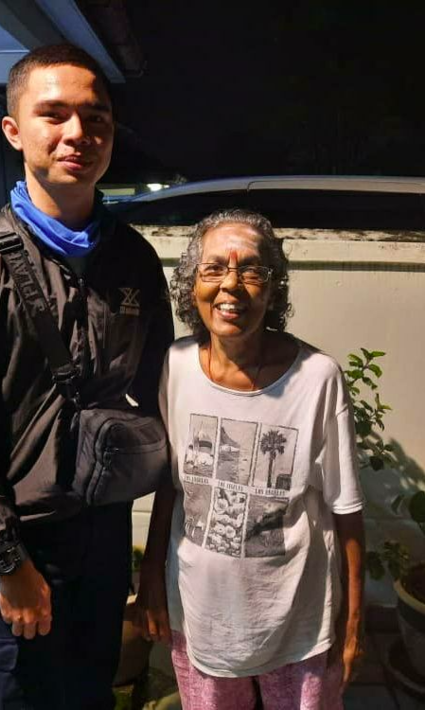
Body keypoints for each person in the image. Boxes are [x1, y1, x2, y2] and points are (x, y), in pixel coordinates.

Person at [0, 44, 173, 710]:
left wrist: (152, 562)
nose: (77, 134)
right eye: (53, 114)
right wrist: (8, 564)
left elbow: (157, 402)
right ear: (13, 130)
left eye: (96, 118)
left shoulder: (135, 261)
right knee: (20, 695)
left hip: (106, 532)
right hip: (20, 542)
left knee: (94, 689)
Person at [134, 209, 364, 710]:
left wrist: (352, 623)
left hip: (297, 623)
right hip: (202, 617)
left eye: (251, 270)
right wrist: (151, 574)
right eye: (214, 268)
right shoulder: (173, 367)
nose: (231, 285)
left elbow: (346, 510)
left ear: (273, 287)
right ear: (192, 285)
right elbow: (171, 484)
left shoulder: (317, 378)